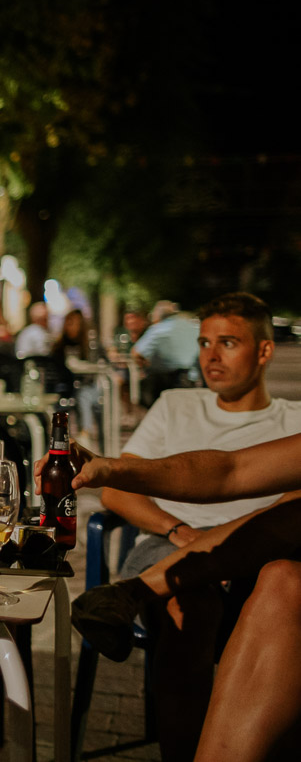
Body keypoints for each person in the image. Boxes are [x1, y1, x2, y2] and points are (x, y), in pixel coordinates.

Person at [93, 292, 301, 759]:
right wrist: (179, 531)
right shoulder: (175, 405)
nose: (211, 356)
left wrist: (230, 544)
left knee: (279, 581)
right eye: (205, 343)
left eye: (228, 342)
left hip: (258, 553)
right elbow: (116, 492)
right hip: (170, 543)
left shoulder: (294, 419)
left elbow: (284, 505)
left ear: (264, 350)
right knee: (191, 601)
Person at [48, 436, 301, 762]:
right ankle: (132, 591)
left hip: (245, 564)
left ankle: (131, 591)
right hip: (207, 553)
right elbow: (232, 470)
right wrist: (109, 468)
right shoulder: (174, 402)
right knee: (276, 577)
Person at [133, 300, 200, 406]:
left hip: (163, 383)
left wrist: (146, 365)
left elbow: (137, 353)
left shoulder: (158, 329)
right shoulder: (193, 326)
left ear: (157, 316)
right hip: (192, 380)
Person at [50, 308, 99, 442]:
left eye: (74, 323)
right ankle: (60, 439)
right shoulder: (59, 346)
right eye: (69, 323)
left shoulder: (90, 346)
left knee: (84, 395)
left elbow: (94, 371)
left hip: (86, 386)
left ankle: (85, 435)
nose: (70, 327)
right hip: (66, 387)